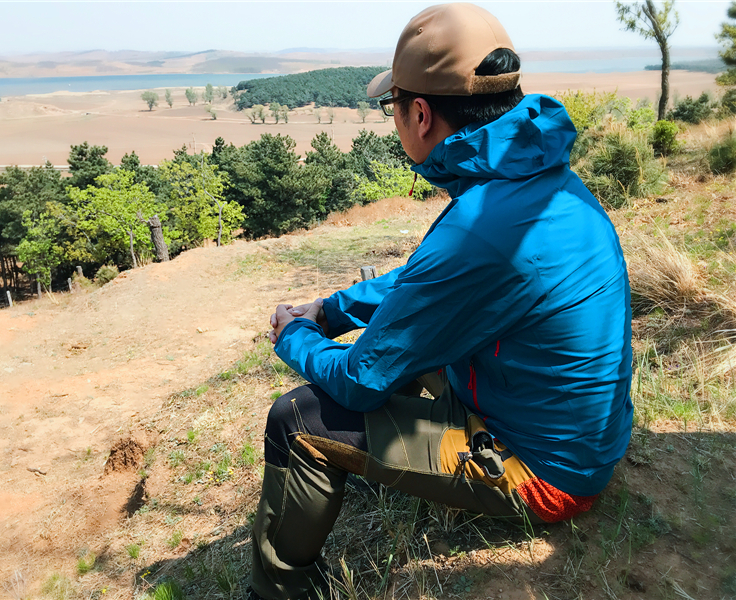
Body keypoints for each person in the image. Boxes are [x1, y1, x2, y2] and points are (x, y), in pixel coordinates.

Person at [248, 4, 633, 599]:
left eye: (393, 107)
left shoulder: (482, 225)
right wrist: (330, 310)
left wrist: (294, 335)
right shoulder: (532, 176)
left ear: (421, 114)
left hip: (546, 474)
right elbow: (427, 284)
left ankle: (279, 590)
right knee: (406, 347)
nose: (395, 120)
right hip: (576, 435)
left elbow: (360, 381)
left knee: (297, 421)